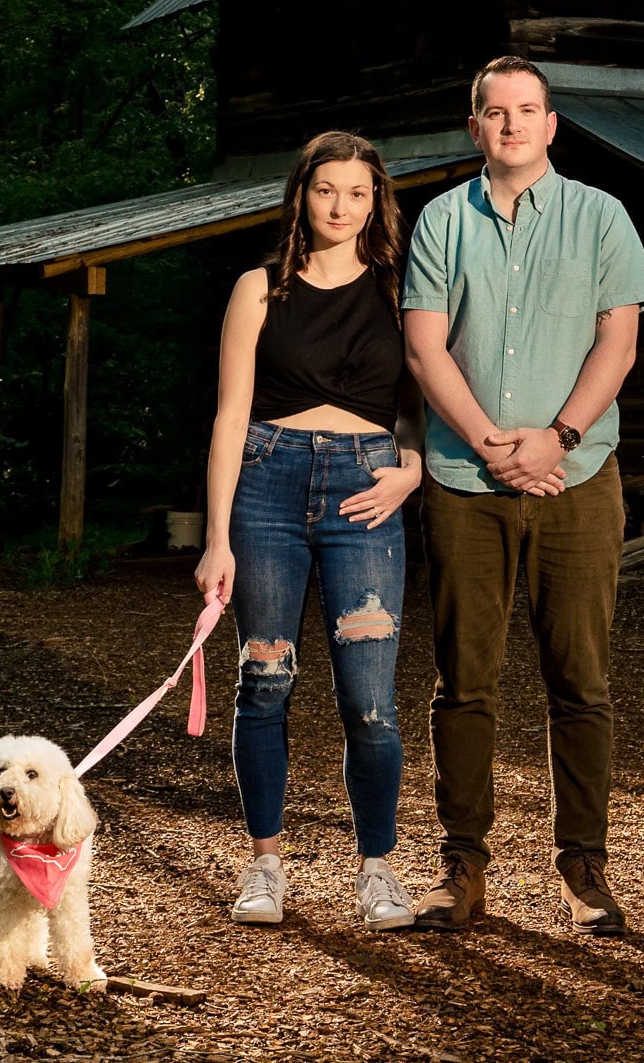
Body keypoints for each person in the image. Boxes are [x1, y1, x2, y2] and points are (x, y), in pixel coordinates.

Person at [400, 56, 644, 936]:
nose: (511, 124)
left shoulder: (602, 217)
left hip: (576, 480)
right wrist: (492, 446)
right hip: (464, 483)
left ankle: (584, 866)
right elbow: (425, 348)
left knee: (580, 680)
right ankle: (463, 867)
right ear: (474, 127)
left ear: (550, 125)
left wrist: (559, 438)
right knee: (463, 681)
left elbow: (618, 343)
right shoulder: (441, 220)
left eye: (527, 110)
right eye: (495, 111)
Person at [194, 130, 425, 931]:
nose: (340, 206)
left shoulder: (401, 290)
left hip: (367, 492)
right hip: (268, 486)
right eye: (326, 189)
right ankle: (265, 866)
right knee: (265, 680)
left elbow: (421, 401)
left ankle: (378, 870)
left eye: (358, 193)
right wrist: (217, 537)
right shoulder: (259, 289)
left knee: (371, 701)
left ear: (376, 203)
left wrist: (413, 468)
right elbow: (230, 418)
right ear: (302, 194)